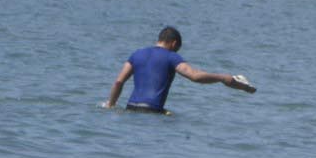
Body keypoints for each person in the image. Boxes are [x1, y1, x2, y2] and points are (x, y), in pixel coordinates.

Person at [105, 26, 255, 113]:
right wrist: (222, 77)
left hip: (130, 109)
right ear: (173, 43)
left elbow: (118, 82)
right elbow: (194, 76)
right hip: (152, 112)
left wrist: (111, 104)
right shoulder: (171, 57)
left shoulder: (136, 54)